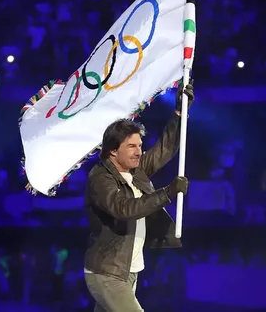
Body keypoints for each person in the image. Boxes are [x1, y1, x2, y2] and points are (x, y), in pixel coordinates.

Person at [83, 82, 194, 312]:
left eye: (140, 145)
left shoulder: (136, 170)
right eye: (131, 146)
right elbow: (124, 208)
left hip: (128, 272)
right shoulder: (100, 177)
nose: (139, 151)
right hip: (107, 273)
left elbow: (164, 149)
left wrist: (180, 113)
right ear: (113, 150)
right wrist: (168, 192)